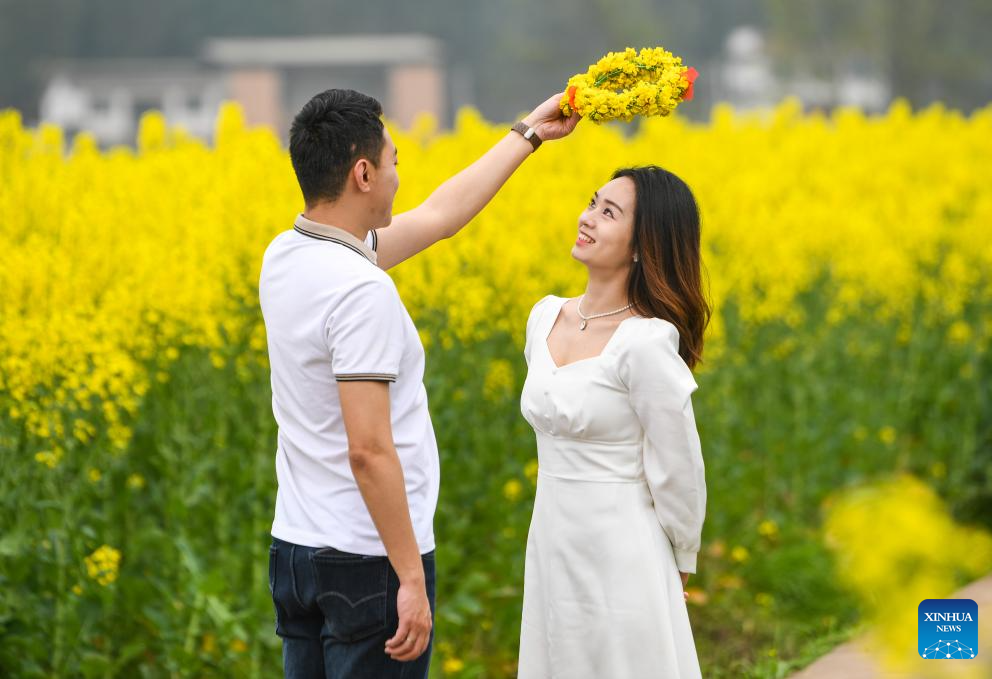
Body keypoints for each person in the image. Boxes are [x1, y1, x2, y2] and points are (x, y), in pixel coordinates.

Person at [258, 88, 579, 679]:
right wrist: (408, 577)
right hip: (365, 558)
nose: (398, 176)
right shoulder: (360, 290)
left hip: (297, 552)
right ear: (362, 173)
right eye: (394, 162)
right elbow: (369, 450)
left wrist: (529, 132)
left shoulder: (286, 255)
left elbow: (439, 216)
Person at [517, 166, 710, 678]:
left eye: (609, 213)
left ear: (642, 245)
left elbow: (678, 461)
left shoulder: (646, 341)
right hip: (552, 538)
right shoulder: (543, 317)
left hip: (622, 548)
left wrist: (682, 552)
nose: (588, 218)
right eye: (592, 203)